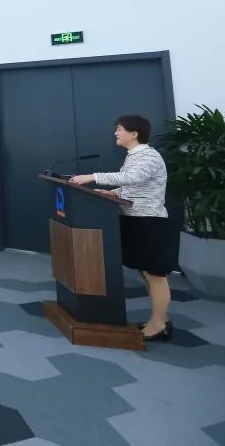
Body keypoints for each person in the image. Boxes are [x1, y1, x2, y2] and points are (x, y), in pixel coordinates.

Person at [70, 115, 173, 341]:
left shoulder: (148, 155)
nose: (115, 133)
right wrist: (114, 193)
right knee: (146, 272)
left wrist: (91, 177)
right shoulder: (133, 155)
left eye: (119, 129)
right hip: (135, 218)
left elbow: (133, 177)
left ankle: (159, 324)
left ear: (134, 134)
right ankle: (159, 320)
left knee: (155, 274)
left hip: (149, 221)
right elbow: (134, 184)